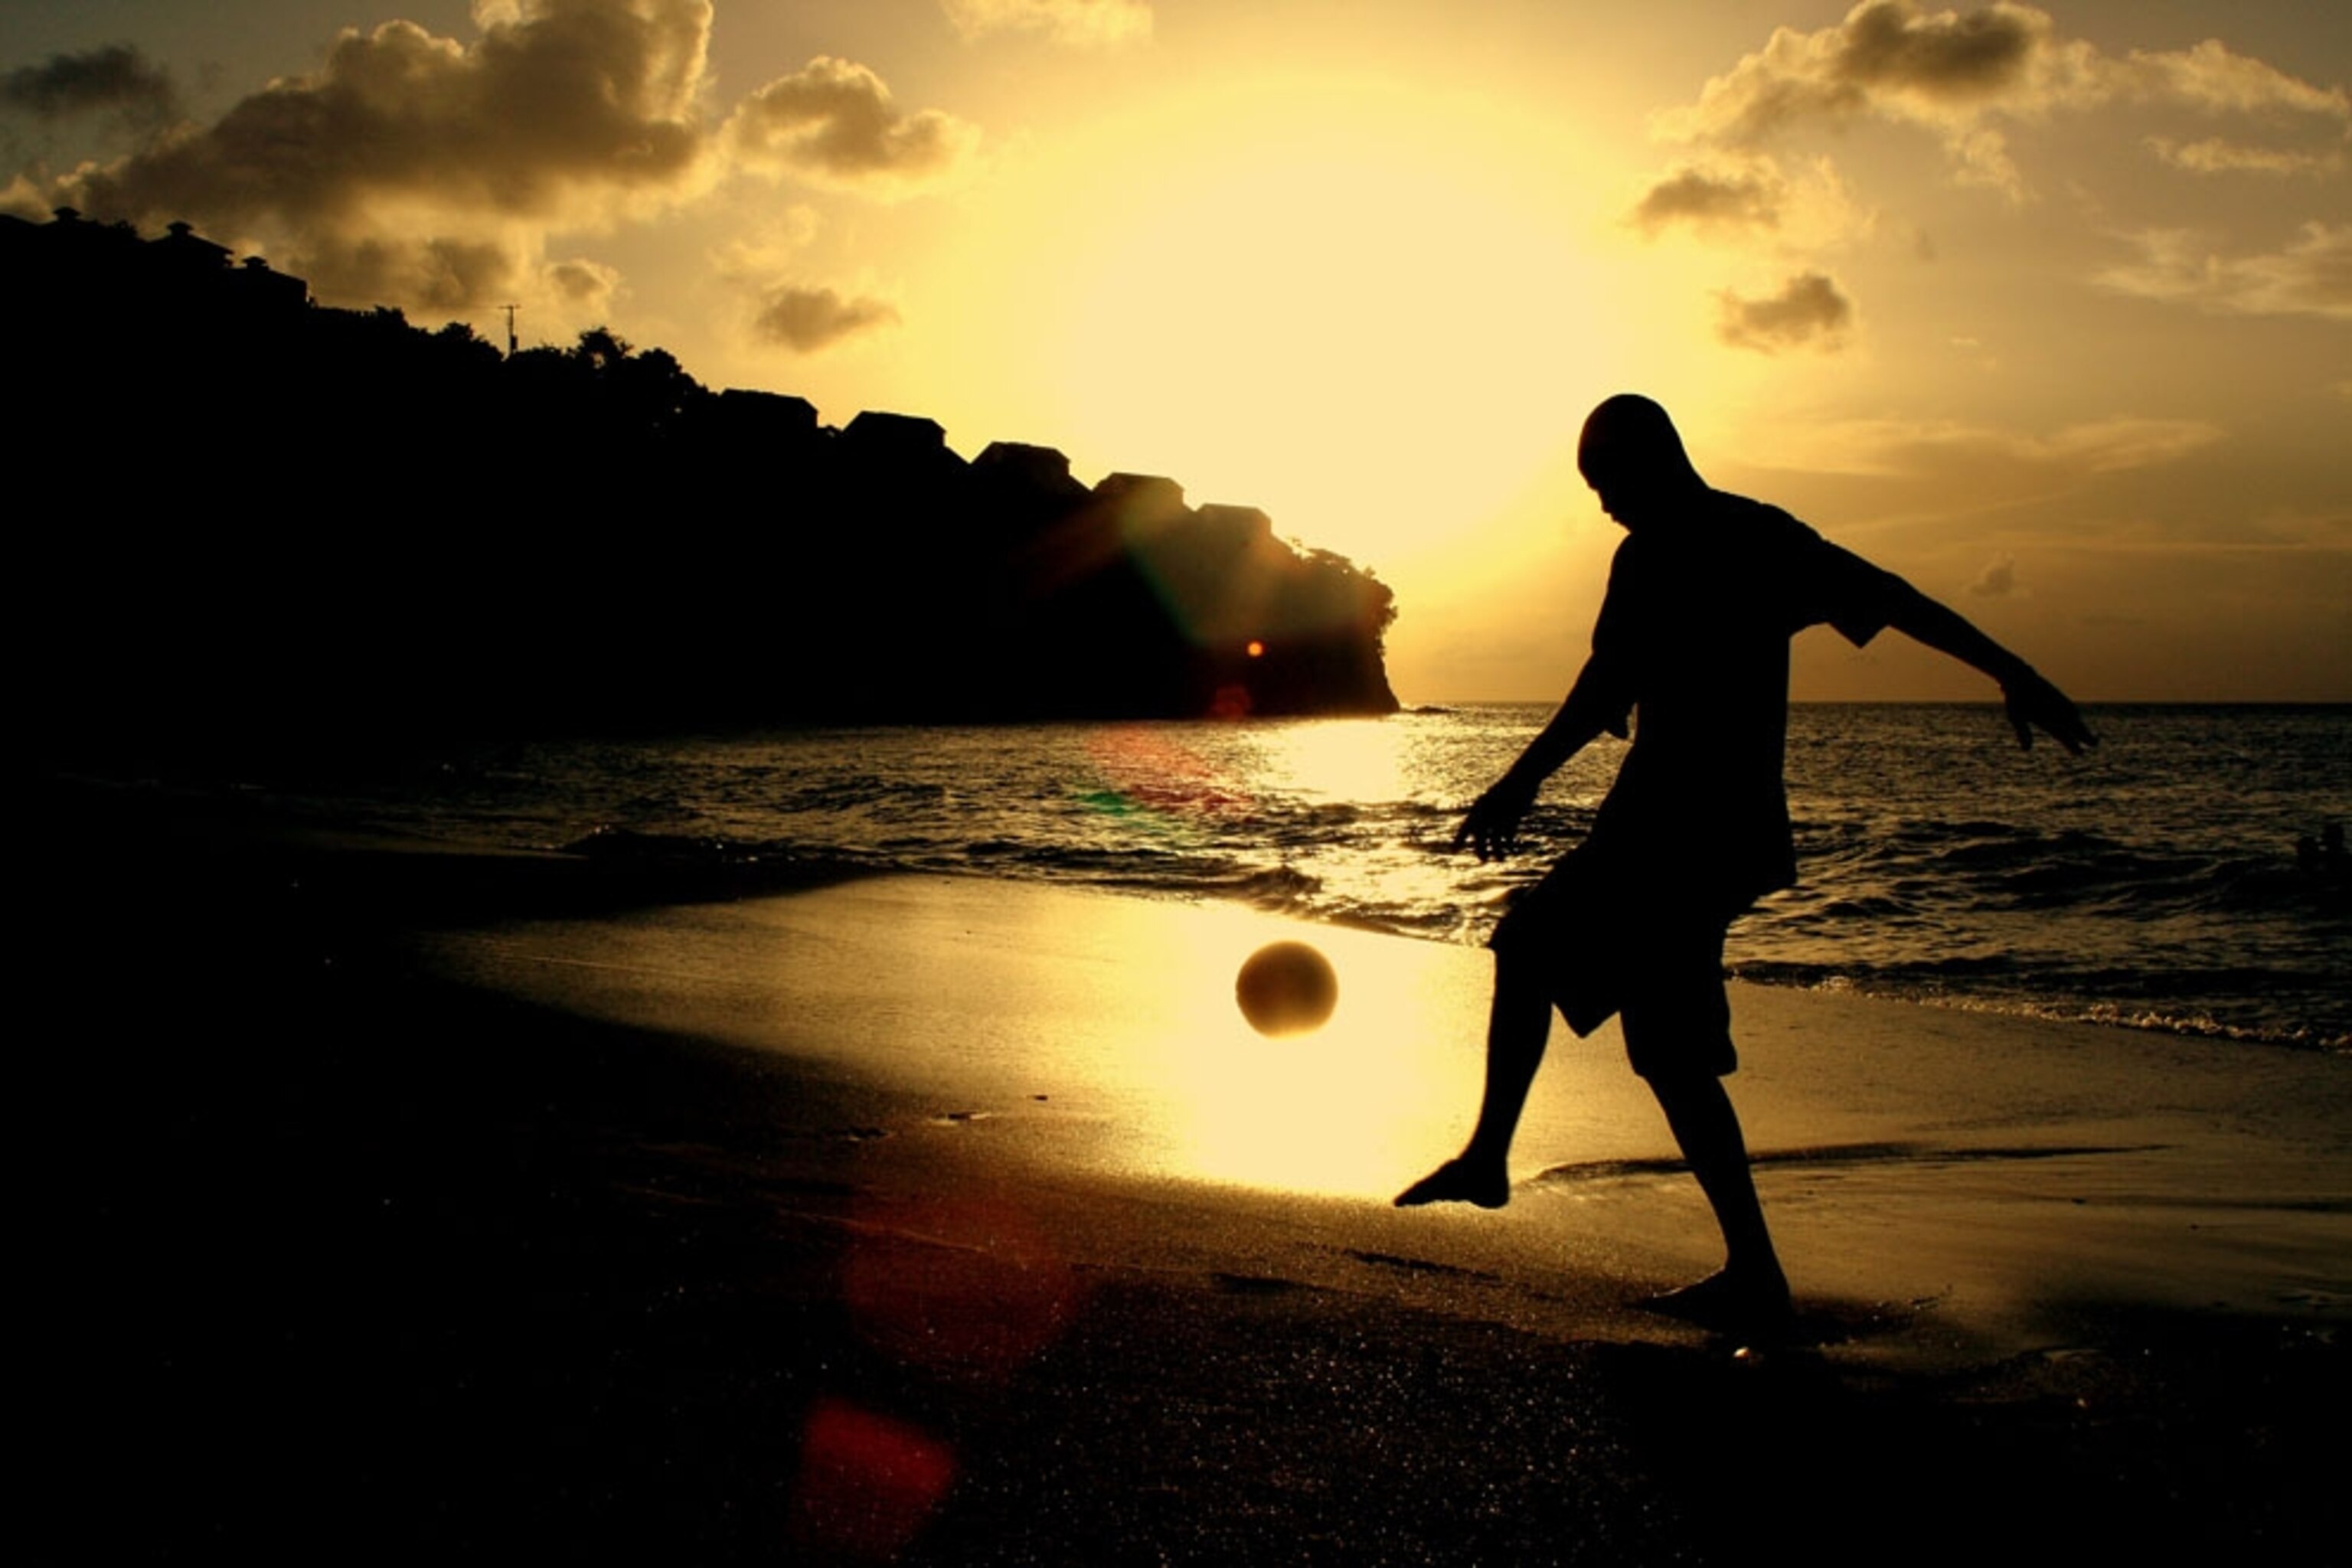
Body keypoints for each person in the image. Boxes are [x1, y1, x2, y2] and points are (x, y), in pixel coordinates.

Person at [1395, 394, 2096, 1331]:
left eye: (1606, 481)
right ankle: (1750, 1270)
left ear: (1652, 459)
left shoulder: (1746, 540)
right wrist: (1521, 782)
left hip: (1685, 829)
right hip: (1688, 827)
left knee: (1535, 946)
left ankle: (1492, 1160)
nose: (1601, 503)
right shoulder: (1677, 550)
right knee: (1668, 1049)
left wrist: (2016, 671)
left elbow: (1893, 598)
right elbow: (1608, 684)